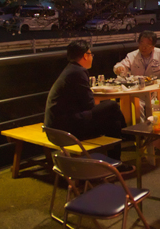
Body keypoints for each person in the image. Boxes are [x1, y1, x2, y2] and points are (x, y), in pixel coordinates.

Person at [44, 40, 133, 171]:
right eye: (91, 54)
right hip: (67, 130)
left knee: (113, 121)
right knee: (112, 107)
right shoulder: (78, 72)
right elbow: (89, 104)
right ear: (85, 55)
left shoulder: (70, 70)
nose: (92, 57)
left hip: (55, 127)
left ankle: (117, 158)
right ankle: (126, 137)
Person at [113, 30, 160, 118]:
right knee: (137, 106)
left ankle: (155, 127)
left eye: (147, 45)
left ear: (153, 46)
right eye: (141, 44)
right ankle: (141, 128)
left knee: (154, 107)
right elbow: (120, 65)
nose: (143, 48)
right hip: (138, 92)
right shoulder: (132, 55)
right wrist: (119, 68)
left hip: (155, 92)